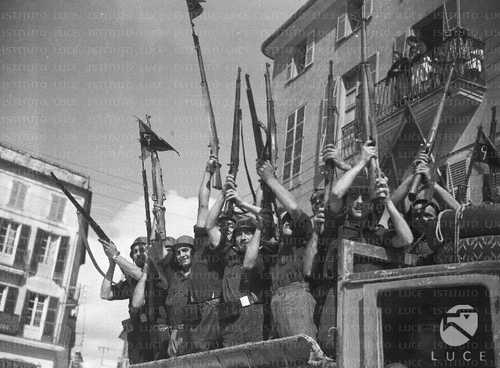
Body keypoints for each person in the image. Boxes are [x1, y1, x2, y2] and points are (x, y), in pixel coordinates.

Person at [308, 142, 413, 357]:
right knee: (331, 348)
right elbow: (337, 194)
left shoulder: (376, 232)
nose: (358, 202)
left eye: (364, 198)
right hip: (337, 299)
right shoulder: (336, 223)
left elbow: (406, 238)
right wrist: (361, 161)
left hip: (368, 302)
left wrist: (388, 204)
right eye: (354, 196)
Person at [256, 159, 316, 339]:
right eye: (284, 221)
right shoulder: (277, 249)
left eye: (291, 220)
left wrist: (270, 179)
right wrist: (264, 190)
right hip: (276, 300)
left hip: (296, 296)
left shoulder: (303, 238)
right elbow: (263, 217)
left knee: (302, 353)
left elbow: (295, 208)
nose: (288, 222)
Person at [99, 235, 172, 364]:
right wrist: (112, 264)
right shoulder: (131, 282)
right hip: (139, 337)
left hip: (159, 335)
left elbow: (140, 274)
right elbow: (106, 293)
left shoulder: (158, 272)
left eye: (142, 250)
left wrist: (116, 257)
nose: (138, 254)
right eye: (135, 252)